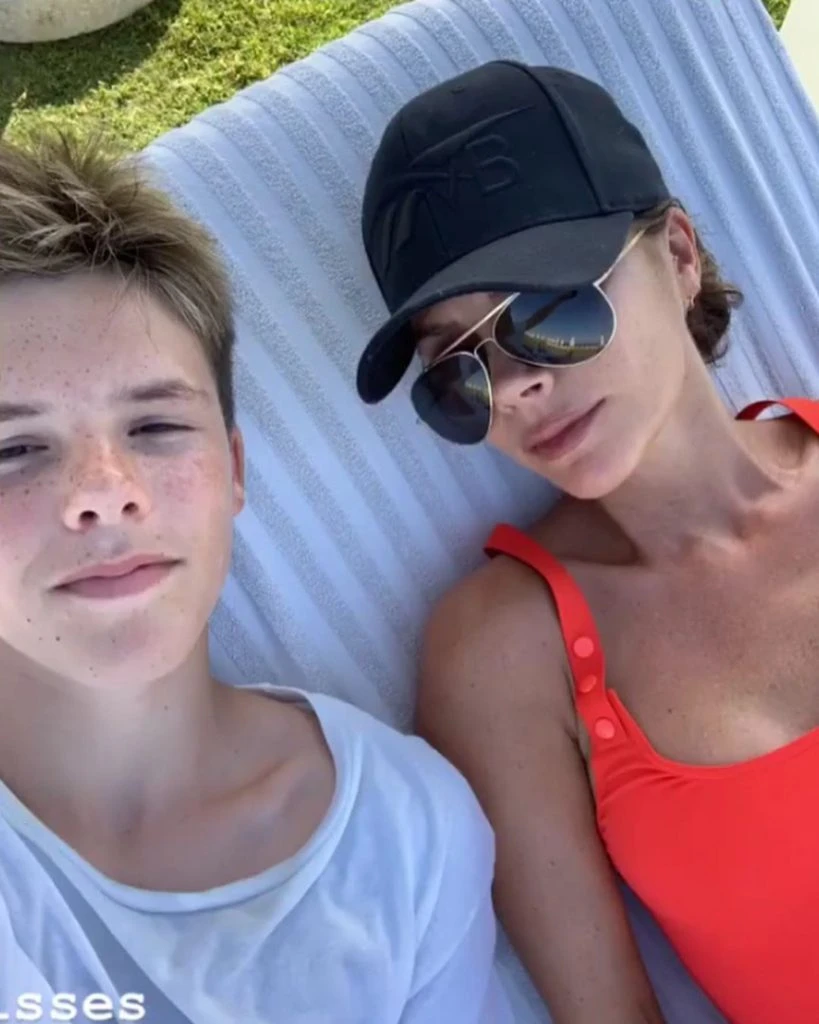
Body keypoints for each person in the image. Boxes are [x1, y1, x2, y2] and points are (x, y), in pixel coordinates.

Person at [0, 130, 511, 1024]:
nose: (105, 493)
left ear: (234, 470)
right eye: (13, 449)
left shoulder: (408, 833)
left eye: (156, 428)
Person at [355, 59, 819, 1024]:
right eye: (458, 371)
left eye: (547, 307)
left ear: (678, 254)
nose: (515, 385)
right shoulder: (503, 653)